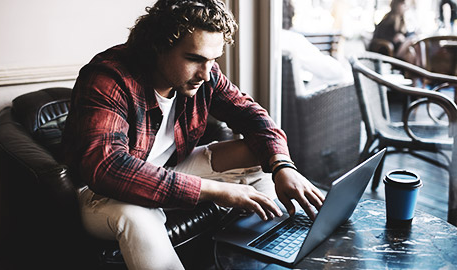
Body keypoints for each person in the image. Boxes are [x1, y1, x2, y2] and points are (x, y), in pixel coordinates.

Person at [62, 0, 325, 269]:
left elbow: (255, 118)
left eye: (212, 60)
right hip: (101, 193)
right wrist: (216, 191)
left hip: (168, 169)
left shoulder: (205, 75)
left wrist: (283, 166)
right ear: (157, 46)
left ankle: (265, 254)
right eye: (195, 59)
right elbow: (108, 166)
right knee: (137, 215)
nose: (205, 72)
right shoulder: (109, 77)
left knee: (259, 154)